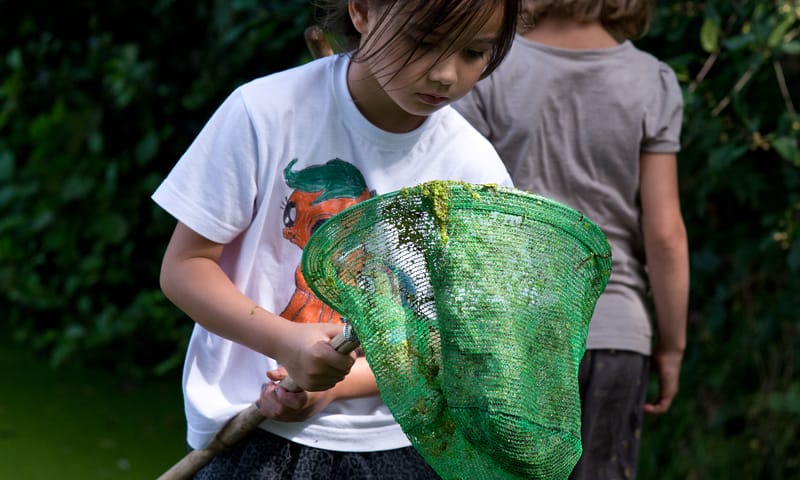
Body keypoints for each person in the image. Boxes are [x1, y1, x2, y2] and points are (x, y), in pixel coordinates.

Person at [152, 0, 520, 477]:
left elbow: (460, 341)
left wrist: (335, 386)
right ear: (363, 12)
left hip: (403, 447)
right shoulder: (263, 112)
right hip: (250, 437)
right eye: (423, 43)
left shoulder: (475, 171)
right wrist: (285, 340)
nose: (447, 74)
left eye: (473, 52)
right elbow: (184, 269)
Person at [454, 1, 690, 479]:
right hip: (615, 330)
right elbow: (665, 235)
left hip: (506, 333)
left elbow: (463, 218)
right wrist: (673, 345)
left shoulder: (486, 69)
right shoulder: (650, 80)